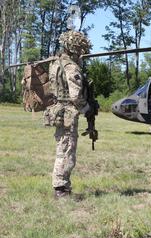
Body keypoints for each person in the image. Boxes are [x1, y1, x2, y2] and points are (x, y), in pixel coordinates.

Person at [45, 31, 91, 198]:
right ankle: (61, 189)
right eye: (81, 49)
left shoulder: (55, 63)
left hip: (58, 110)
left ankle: (61, 187)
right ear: (75, 48)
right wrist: (87, 109)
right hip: (68, 113)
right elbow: (75, 95)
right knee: (67, 151)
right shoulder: (71, 67)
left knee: (62, 148)